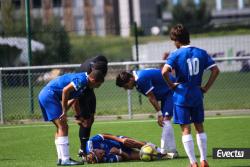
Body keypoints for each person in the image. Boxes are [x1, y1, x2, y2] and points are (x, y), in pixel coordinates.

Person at [162, 24, 220, 167]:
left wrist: (171, 85)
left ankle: (193, 163)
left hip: (181, 94)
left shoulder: (175, 54)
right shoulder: (201, 52)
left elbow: (164, 72)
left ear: (176, 40)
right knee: (199, 127)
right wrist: (206, 87)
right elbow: (215, 70)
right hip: (197, 93)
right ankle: (204, 160)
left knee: (185, 129)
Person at [38, 70, 105, 166]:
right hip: (49, 95)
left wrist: (78, 116)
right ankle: (65, 159)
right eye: (98, 84)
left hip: (46, 95)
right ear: (93, 80)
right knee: (63, 126)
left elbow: (74, 100)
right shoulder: (82, 80)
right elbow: (65, 90)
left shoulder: (84, 83)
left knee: (60, 127)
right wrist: (64, 111)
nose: (98, 87)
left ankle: (61, 159)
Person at [116, 68, 178, 157]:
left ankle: (164, 152)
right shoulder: (137, 78)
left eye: (126, 86)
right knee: (166, 121)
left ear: (130, 79)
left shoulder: (141, 79)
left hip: (171, 91)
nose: (126, 89)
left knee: (165, 120)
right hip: (166, 94)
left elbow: (151, 97)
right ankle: (172, 151)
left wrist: (159, 114)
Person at [72, 55, 108, 158]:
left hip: (89, 89)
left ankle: (83, 147)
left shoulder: (103, 61)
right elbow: (74, 98)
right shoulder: (84, 75)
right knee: (86, 121)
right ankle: (83, 150)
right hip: (82, 90)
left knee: (91, 118)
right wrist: (78, 115)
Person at [85, 133, 162, 163]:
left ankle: (159, 150)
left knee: (135, 143)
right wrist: (119, 152)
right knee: (144, 156)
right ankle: (159, 156)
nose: (103, 155)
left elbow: (105, 135)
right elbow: (127, 158)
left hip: (119, 141)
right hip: (123, 152)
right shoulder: (106, 159)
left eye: (100, 154)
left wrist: (121, 140)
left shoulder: (91, 143)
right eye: (101, 158)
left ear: (94, 151)